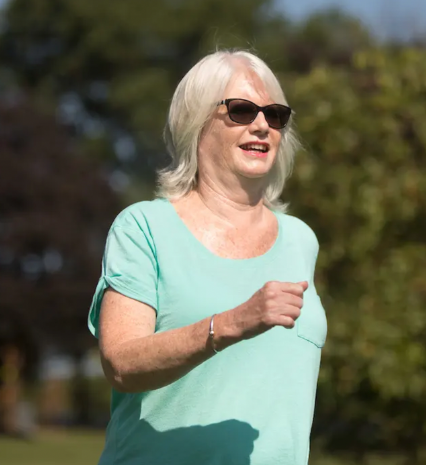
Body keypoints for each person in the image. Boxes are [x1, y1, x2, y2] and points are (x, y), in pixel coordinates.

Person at [87, 50, 327, 465]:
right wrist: (233, 322)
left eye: (275, 115)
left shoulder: (300, 241)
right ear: (196, 121)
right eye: (241, 110)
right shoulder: (144, 228)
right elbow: (121, 364)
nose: (261, 126)